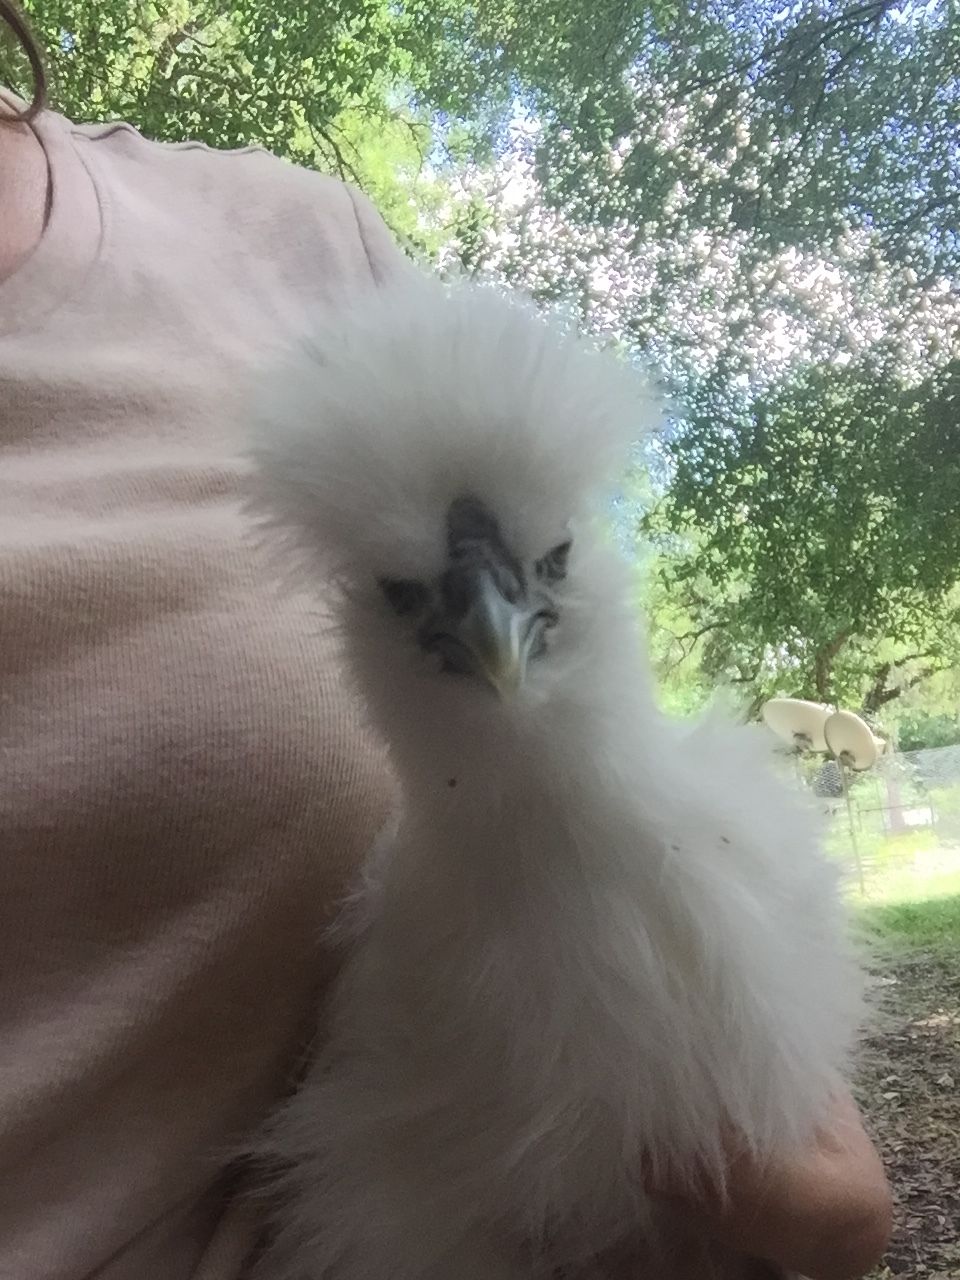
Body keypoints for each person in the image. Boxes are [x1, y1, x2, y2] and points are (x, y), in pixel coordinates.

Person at [0, 6, 891, 1278]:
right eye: (414, 598)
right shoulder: (420, 943)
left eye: (548, 570)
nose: (492, 629)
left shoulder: (299, 248)